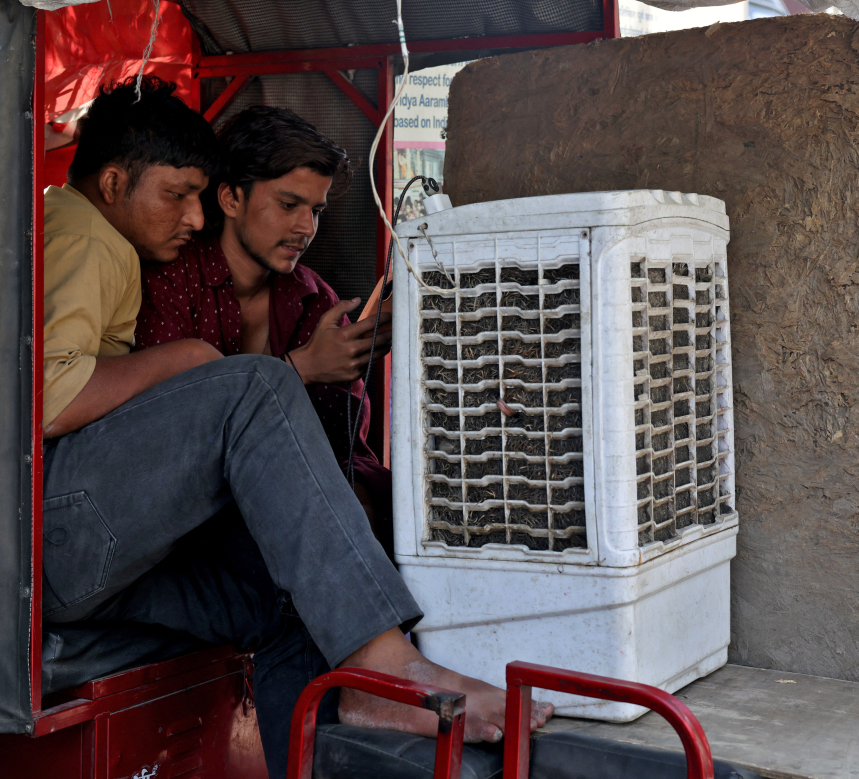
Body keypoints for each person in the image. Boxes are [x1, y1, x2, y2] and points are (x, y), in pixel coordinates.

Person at [40, 76, 550, 779]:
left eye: (315, 210)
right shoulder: (95, 244)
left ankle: (345, 712)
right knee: (259, 384)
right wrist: (206, 364)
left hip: (129, 545)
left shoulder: (298, 297)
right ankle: (383, 666)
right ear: (114, 181)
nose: (188, 216)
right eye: (177, 195)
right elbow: (54, 400)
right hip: (57, 533)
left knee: (289, 600)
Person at [134, 106, 392, 550]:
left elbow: (344, 449)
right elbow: (168, 435)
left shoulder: (316, 300)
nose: (305, 228)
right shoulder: (171, 282)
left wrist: (353, 359)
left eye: (316, 211)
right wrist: (299, 370)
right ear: (231, 198)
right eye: (289, 205)